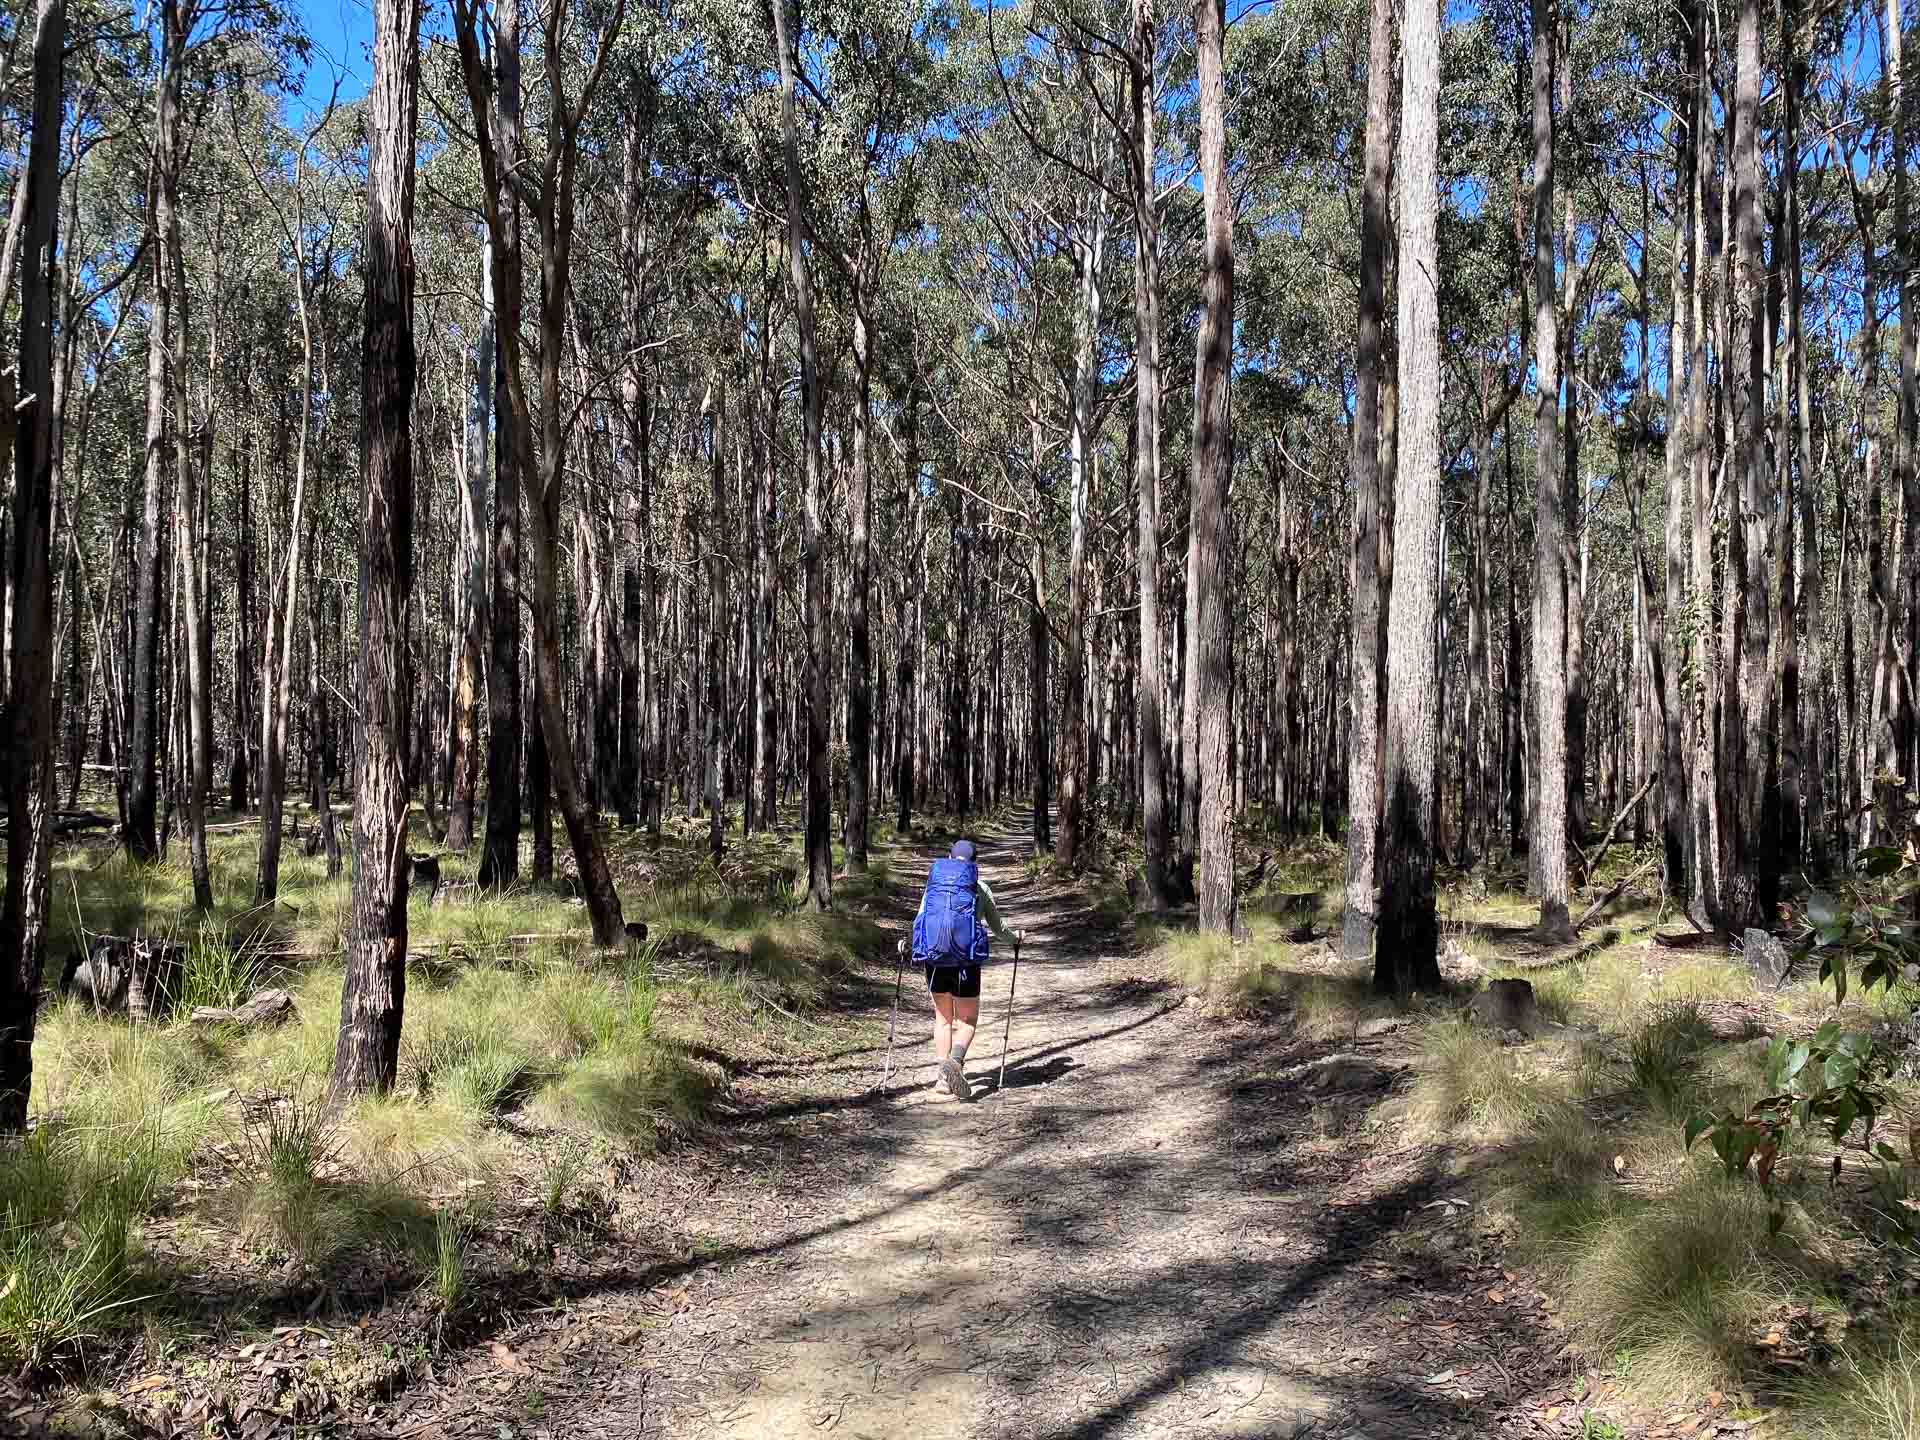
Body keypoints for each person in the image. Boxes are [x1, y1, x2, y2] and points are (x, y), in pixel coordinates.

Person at [911, 839, 1017, 1102]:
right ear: (974, 863)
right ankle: (955, 1062)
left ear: (949, 857)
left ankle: (942, 1080)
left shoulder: (933, 887)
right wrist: (1016, 939)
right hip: (966, 963)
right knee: (967, 1021)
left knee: (943, 1019)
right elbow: (998, 928)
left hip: (935, 960)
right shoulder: (979, 888)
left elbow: (920, 920)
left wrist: (909, 946)